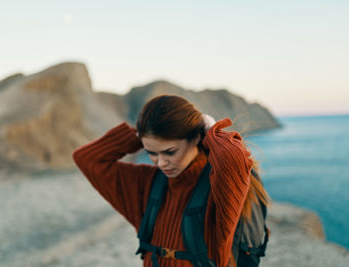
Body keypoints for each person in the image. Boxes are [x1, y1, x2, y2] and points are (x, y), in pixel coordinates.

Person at [72, 95, 268, 267]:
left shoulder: (218, 185)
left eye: (170, 152)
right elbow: (88, 159)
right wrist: (143, 133)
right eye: (151, 153)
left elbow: (233, 159)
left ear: (196, 138)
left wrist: (209, 130)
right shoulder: (147, 182)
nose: (161, 163)